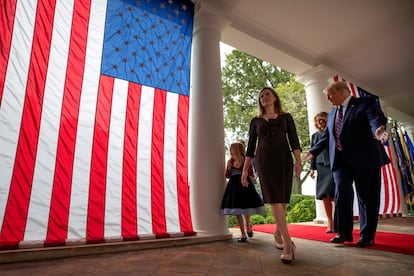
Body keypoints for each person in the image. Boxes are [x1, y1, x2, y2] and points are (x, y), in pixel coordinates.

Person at [304, 81, 390, 247]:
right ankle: (343, 232)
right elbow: (327, 137)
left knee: (367, 197)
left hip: (365, 159)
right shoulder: (331, 114)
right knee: (341, 192)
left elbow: (375, 118)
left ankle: (367, 235)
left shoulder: (365, 103)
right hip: (341, 162)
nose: (328, 98)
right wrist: (313, 152)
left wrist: (378, 129)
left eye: (329, 94)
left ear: (342, 91)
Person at [241, 87, 302, 264]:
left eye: (267, 94)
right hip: (264, 161)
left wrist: (298, 162)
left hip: (284, 160)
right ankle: (288, 244)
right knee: (274, 199)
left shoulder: (286, 117)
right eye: (261, 96)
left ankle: (278, 232)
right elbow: (251, 148)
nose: (263, 97)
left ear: (275, 97)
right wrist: (245, 170)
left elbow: (294, 140)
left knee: (282, 200)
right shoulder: (256, 121)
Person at [220, 142, 266, 242]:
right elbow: (227, 175)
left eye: (232, 149)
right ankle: (243, 233)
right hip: (234, 187)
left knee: (246, 207)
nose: (230, 151)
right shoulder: (230, 161)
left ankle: (248, 225)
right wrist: (228, 168)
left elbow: (250, 174)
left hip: (244, 185)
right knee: (237, 210)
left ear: (236, 149)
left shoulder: (246, 160)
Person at [310, 112, 335, 233]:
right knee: (324, 195)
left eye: (321, 119)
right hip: (321, 166)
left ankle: (341, 220)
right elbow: (312, 152)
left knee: (336, 194)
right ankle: (330, 222)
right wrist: (311, 168)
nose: (319, 122)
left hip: (333, 165)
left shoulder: (333, 131)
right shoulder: (315, 136)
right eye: (317, 120)